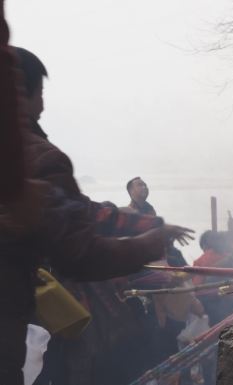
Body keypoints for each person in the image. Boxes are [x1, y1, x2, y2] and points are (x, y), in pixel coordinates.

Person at [0, 45, 194, 385]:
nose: (43, 106)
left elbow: (85, 211)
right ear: (19, 93)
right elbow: (81, 254)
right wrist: (151, 243)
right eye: (40, 94)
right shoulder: (39, 158)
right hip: (31, 319)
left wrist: (153, 225)